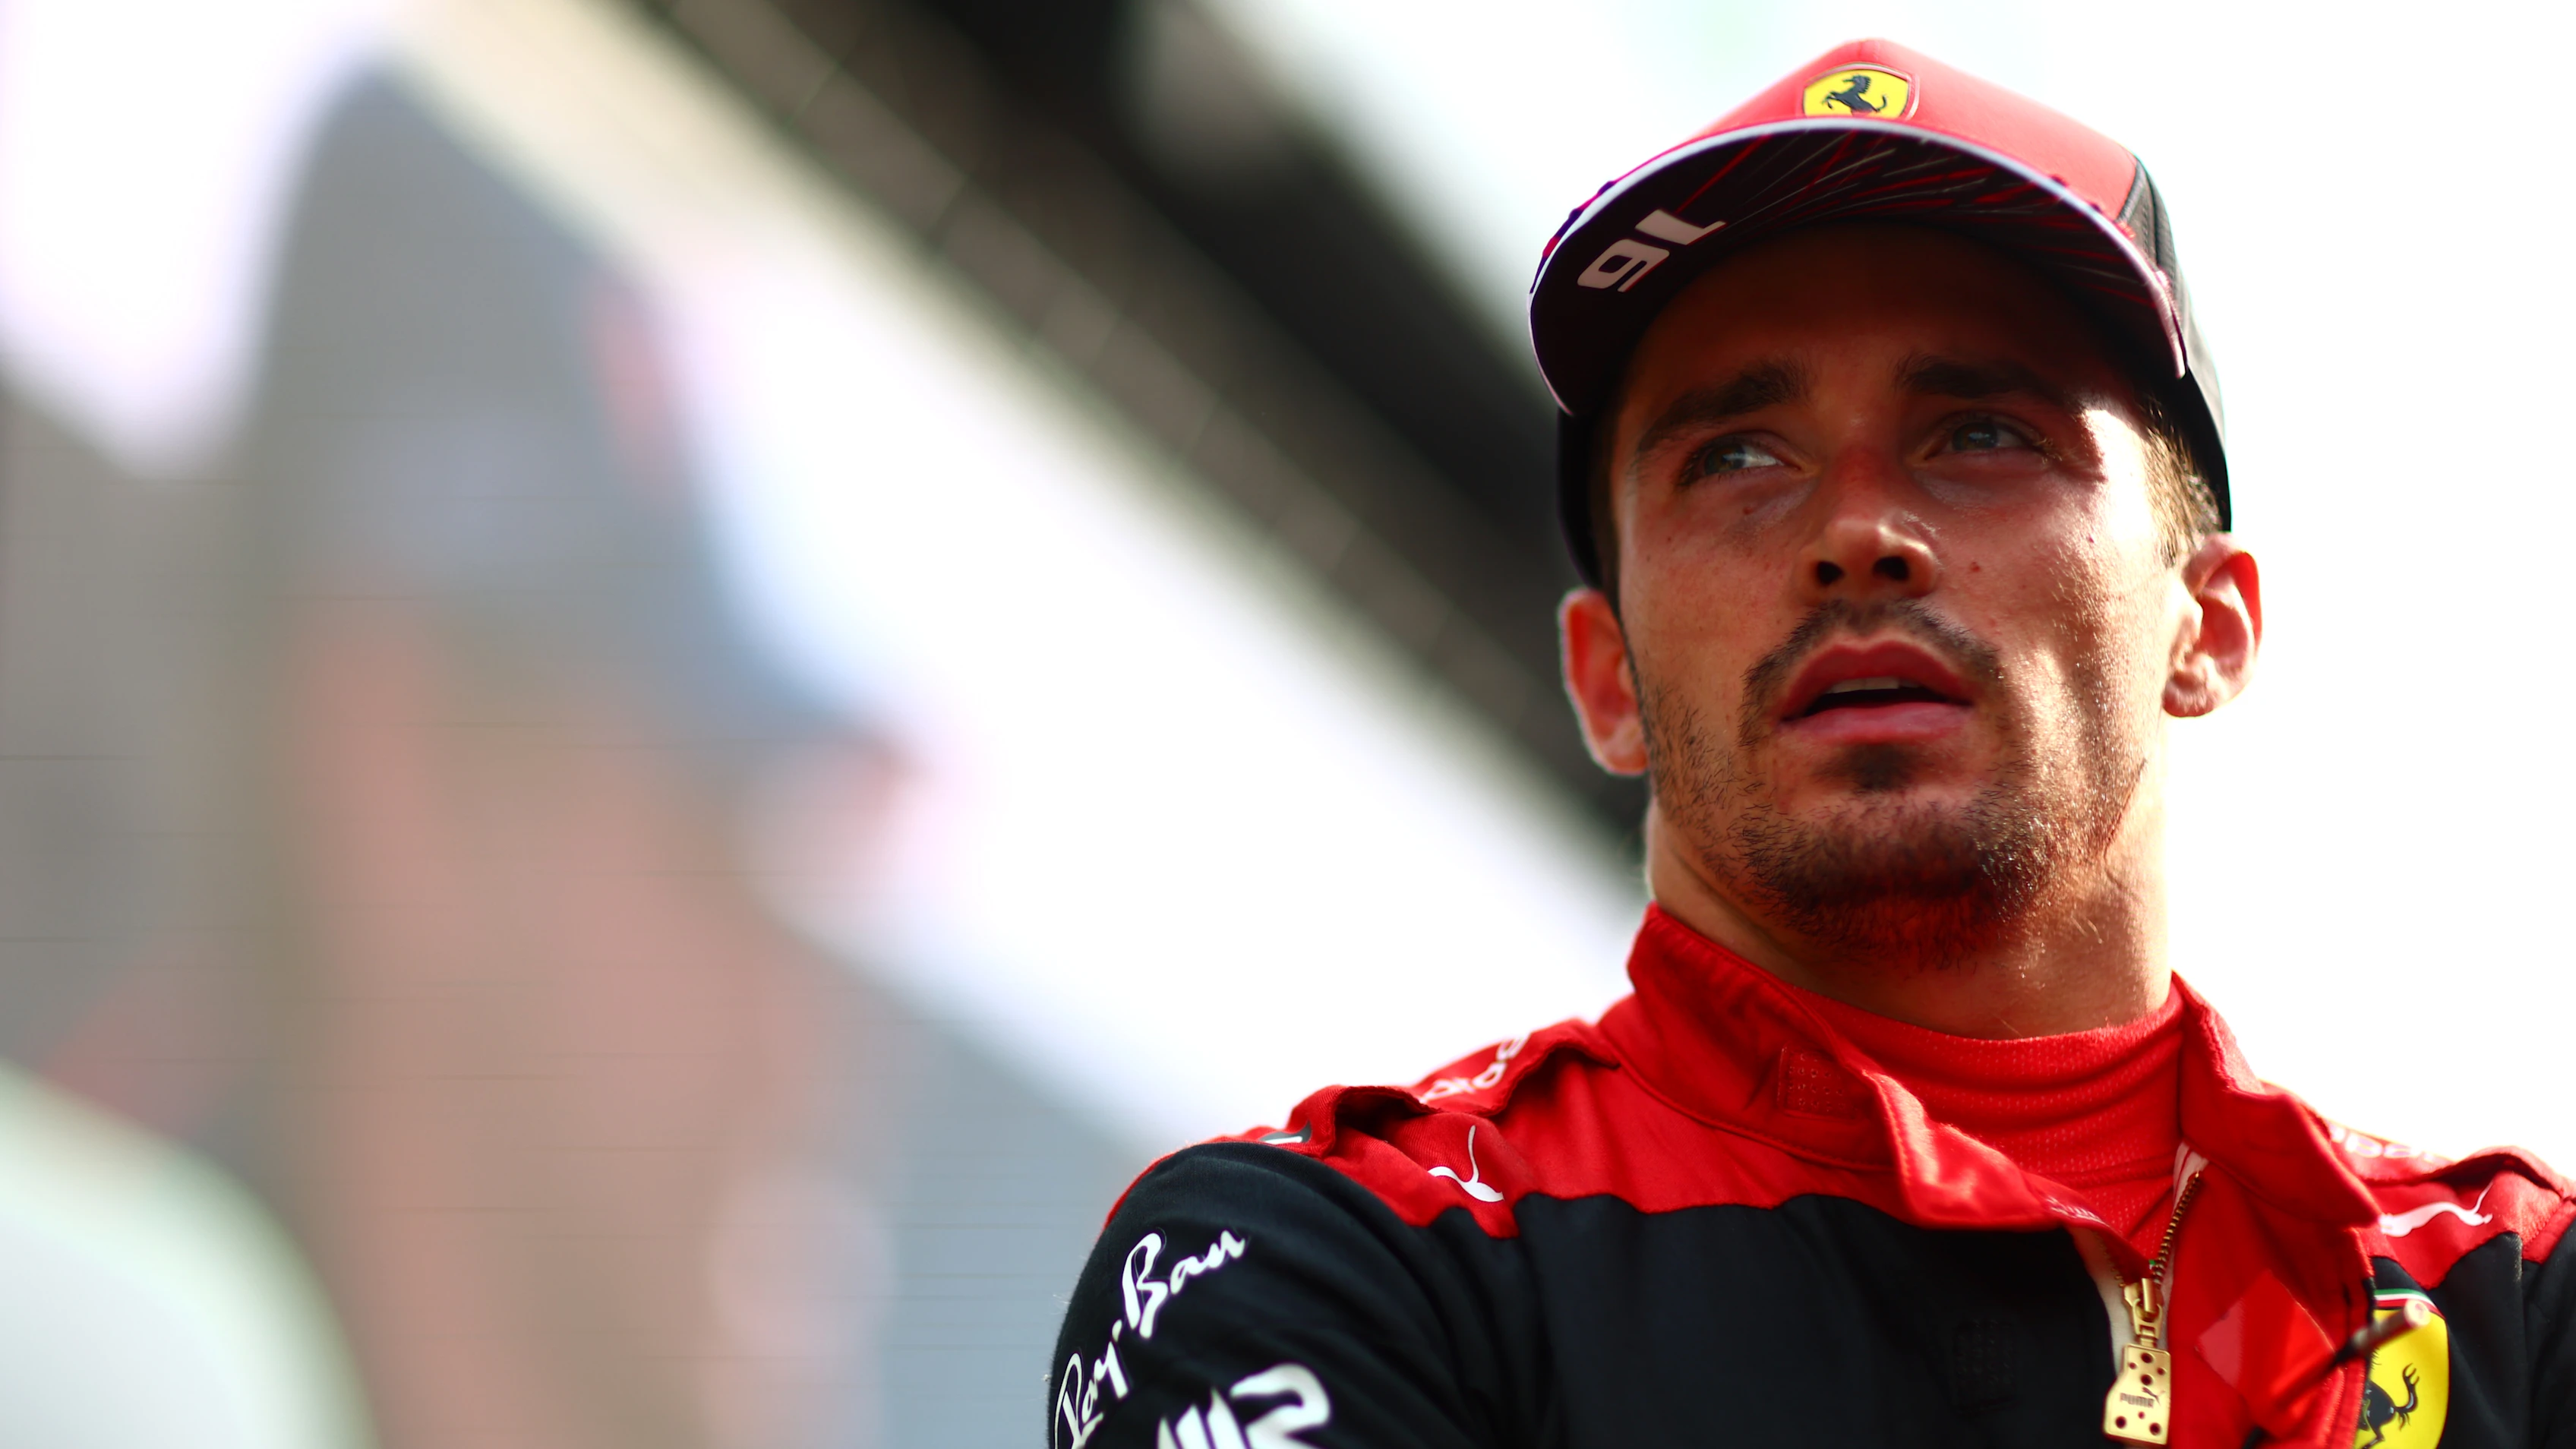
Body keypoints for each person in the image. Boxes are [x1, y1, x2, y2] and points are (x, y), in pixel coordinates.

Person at [1046, 39, 2576, 1449]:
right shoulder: (1327, 1261)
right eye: (1735, 456)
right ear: (1608, 678)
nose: (1857, 532)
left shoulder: (2518, 1302)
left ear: (2210, 622)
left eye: (1979, 433)